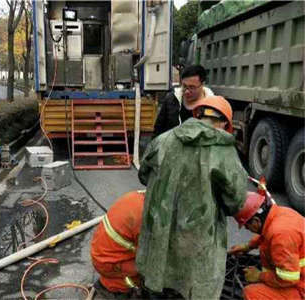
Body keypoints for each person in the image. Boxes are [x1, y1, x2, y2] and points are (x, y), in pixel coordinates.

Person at [136, 96, 247, 300]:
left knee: (159, 277)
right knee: (194, 282)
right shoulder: (223, 151)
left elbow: (143, 174)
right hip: (197, 238)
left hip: (159, 230)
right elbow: (236, 201)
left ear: (197, 115)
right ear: (224, 123)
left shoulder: (163, 140)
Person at [229, 191, 305, 300]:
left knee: (251, 293)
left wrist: (259, 276)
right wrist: (248, 246)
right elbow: (266, 233)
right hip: (299, 275)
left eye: (246, 226)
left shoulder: (281, 235)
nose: (247, 229)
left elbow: (289, 278)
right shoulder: (280, 214)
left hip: (300, 287)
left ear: (256, 221)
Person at [90, 190, 145, 299]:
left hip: (104, 256)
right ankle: (117, 291)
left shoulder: (142, 196)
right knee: (150, 269)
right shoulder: (146, 216)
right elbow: (153, 258)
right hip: (110, 263)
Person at [153, 64, 214, 137]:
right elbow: (158, 130)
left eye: (192, 87)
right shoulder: (171, 100)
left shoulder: (213, 105)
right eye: (184, 86)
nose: (187, 91)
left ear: (202, 84)